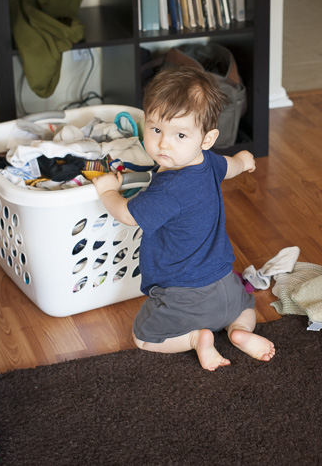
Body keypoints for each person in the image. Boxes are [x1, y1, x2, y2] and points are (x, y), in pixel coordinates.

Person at [93, 66, 275, 371]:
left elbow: (127, 215)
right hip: (228, 287)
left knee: (143, 336)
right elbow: (230, 166)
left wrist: (107, 191)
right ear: (144, 124)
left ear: (206, 138)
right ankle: (240, 331)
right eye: (156, 130)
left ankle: (195, 339)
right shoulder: (209, 161)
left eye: (179, 135)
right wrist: (244, 162)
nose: (164, 144)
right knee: (246, 309)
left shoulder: (168, 190)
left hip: (184, 297)